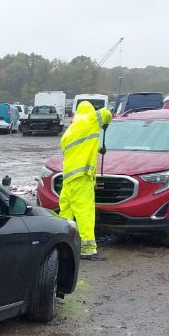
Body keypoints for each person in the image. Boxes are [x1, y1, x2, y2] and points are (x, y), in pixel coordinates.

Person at [58, 101, 112, 260]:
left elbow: (80, 148)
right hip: (81, 178)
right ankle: (87, 249)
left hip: (68, 177)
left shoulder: (69, 131)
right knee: (85, 212)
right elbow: (107, 113)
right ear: (89, 112)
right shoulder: (89, 121)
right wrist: (106, 124)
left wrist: (97, 149)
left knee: (66, 213)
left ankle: (62, 245)